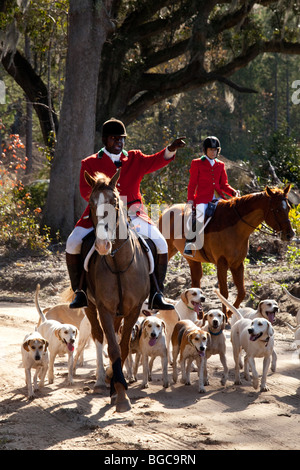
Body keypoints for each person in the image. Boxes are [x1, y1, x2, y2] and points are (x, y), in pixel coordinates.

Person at [66, 118, 185, 310]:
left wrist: (170, 149)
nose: (119, 142)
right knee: (72, 243)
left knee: (161, 244)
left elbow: (155, 161)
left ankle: (156, 293)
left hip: (133, 212)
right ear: (105, 140)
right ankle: (79, 292)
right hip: (102, 213)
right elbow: (84, 191)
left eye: (122, 139)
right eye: (114, 139)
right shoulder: (89, 163)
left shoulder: (135, 158)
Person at [184, 136, 238, 256]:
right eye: (210, 150)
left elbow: (224, 184)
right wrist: (190, 200)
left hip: (218, 198)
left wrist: (233, 192)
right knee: (200, 217)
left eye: (215, 150)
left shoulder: (220, 165)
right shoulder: (197, 163)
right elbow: (192, 184)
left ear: (218, 151)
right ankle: (189, 244)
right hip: (203, 199)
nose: (213, 152)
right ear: (205, 150)